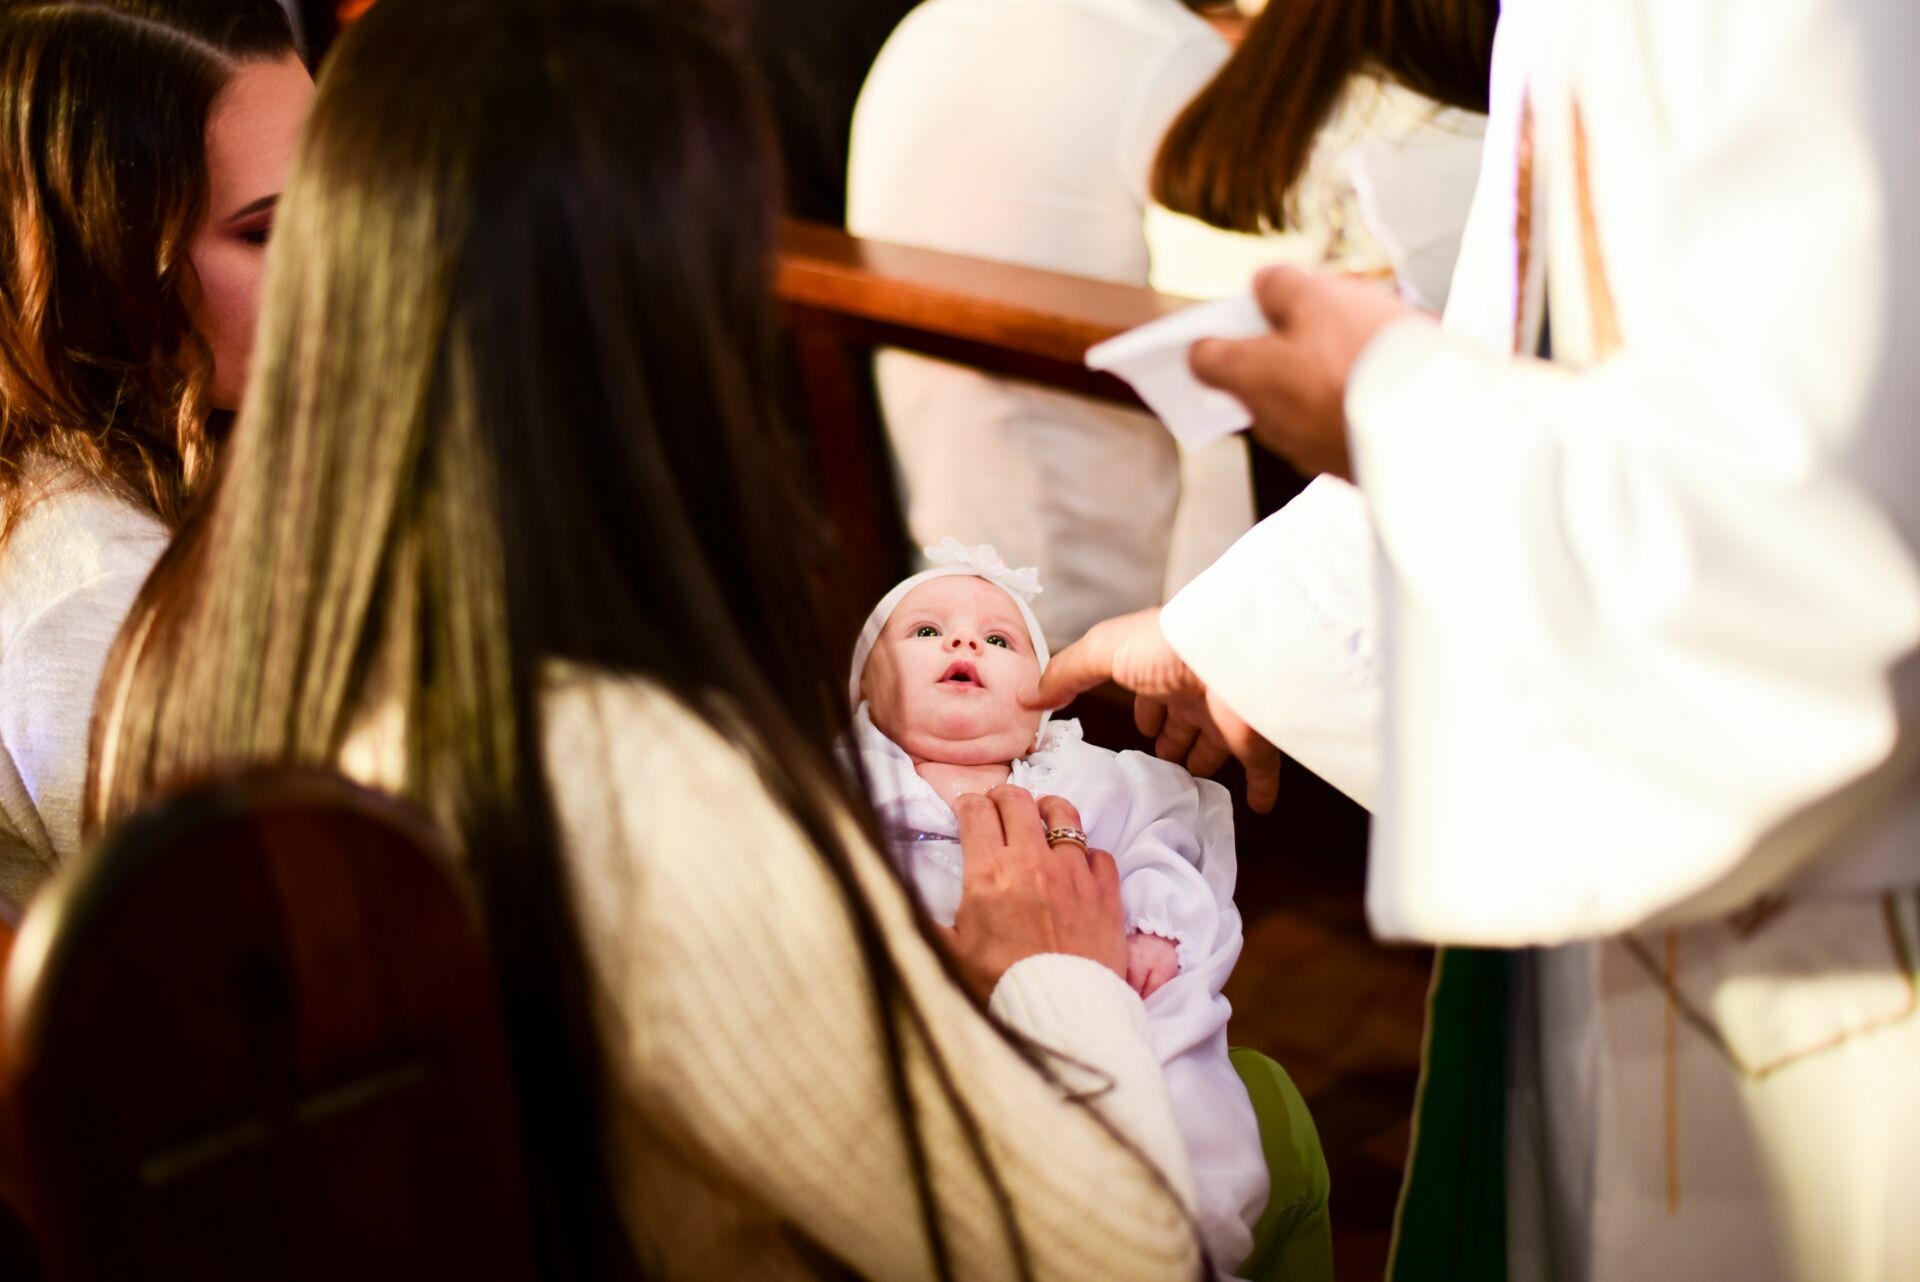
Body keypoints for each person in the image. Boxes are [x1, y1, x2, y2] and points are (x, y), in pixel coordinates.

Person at [88, 1, 1207, 1277]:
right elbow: (1121, 1254)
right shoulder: (637, 784)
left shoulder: (178, 624)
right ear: (671, 317)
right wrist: (1054, 975)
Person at [1030, 0, 1920, 1278]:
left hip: (1825, 933)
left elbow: (1819, 545)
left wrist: (1381, 405)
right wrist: (1225, 624)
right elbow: (1559, 365)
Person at [849, 539, 1265, 1270]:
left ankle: (1190, 1233)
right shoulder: (844, 781)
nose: (964, 641)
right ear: (863, 696)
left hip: (1109, 983)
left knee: (1180, 1056)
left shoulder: (1092, 778)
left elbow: (1163, 844)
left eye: (1001, 639)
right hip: (918, 1007)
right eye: (924, 631)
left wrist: (1152, 926)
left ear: (1043, 699)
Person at [0, 0, 308, 899]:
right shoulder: (98, 590)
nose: (338, 262)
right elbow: (254, 976)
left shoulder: (189, 469)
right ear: (111, 261)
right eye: (265, 232)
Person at [846, 0, 1231, 644]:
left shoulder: (920, 33)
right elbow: (1236, 385)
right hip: (1114, 623)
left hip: (933, 577)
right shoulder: (1171, 61)